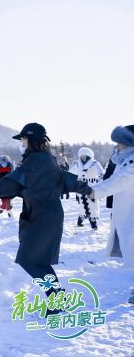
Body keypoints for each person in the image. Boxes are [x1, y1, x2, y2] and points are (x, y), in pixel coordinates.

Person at [0, 123, 92, 313]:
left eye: (23, 138)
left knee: (28, 260)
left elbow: (11, 182)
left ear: (30, 139)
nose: (21, 142)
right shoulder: (44, 159)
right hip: (45, 214)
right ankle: (58, 300)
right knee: (38, 261)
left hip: (43, 215)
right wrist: (87, 189)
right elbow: (64, 178)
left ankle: (57, 299)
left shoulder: (36, 161)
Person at [89, 125, 134, 304]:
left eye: (120, 143)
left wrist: (89, 191)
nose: (117, 147)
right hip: (126, 212)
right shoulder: (124, 160)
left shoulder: (131, 164)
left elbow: (115, 183)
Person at [69, 147, 105, 230]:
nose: (83, 158)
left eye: (85, 156)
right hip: (80, 188)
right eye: (82, 156)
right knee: (82, 205)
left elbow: (101, 174)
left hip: (91, 187)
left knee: (93, 205)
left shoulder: (95, 163)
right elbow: (70, 173)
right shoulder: (77, 164)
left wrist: (99, 184)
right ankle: (80, 220)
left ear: (89, 156)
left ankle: (93, 222)